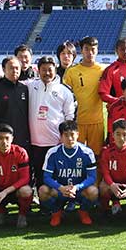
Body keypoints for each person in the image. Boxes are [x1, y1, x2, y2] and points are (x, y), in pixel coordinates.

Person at [25, 56, 76, 190]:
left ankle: (57, 206)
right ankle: (43, 205)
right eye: (43, 70)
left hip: (56, 142)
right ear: (38, 70)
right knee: (39, 176)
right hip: (35, 143)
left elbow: (70, 116)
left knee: (56, 176)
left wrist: (64, 138)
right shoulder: (31, 85)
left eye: (50, 70)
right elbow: (12, 83)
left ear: (55, 70)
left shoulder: (64, 90)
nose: (47, 73)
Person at [39, 120, 99, 227]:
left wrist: (77, 187)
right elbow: (46, 177)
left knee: (93, 191)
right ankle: (56, 212)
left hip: (79, 191)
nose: (70, 138)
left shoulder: (87, 152)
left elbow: (92, 177)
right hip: (61, 191)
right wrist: (61, 187)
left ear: (78, 134)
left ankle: (83, 212)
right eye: (66, 135)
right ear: (61, 137)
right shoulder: (52, 153)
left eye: (72, 135)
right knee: (43, 191)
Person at [62, 36, 105, 156]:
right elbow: (65, 96)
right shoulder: (72, 71)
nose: (90, 52)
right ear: (81, 50)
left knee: (96, 156)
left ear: (97, 50)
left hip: (96, 121)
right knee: (76, 155)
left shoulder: (102, 70)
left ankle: (95, 176)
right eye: (86, 49)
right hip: (77, 122)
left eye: (93, 49)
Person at [98, 38, 126, 105]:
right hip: (118, 111)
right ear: (117, 51)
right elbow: (103, 94)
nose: (125, 52)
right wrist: (119, 101)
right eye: (122, 49)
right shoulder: (110, 70)